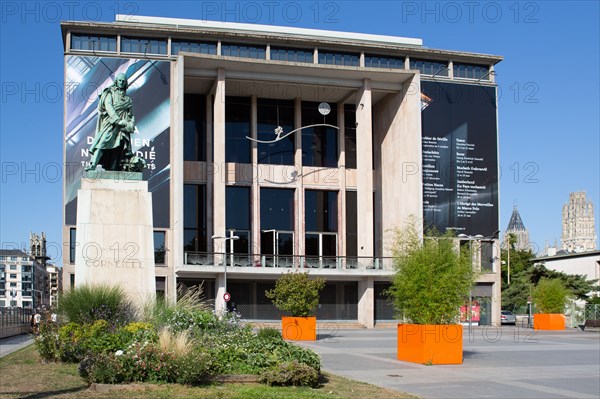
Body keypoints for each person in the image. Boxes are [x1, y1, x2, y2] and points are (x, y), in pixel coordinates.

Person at [86, 73, 136, 171]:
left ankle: (113, 168)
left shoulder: (128, 100)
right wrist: (117, 120)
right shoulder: (109, 92)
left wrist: (130, 123)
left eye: (123, 81)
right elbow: (109, 107)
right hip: (111, 123)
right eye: (120, 80)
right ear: (116, 81)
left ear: (126, 83)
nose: (121, 82)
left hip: (122, 125)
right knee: (102, 142)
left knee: (118, 147)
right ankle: (93, 164)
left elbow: (130, 115)